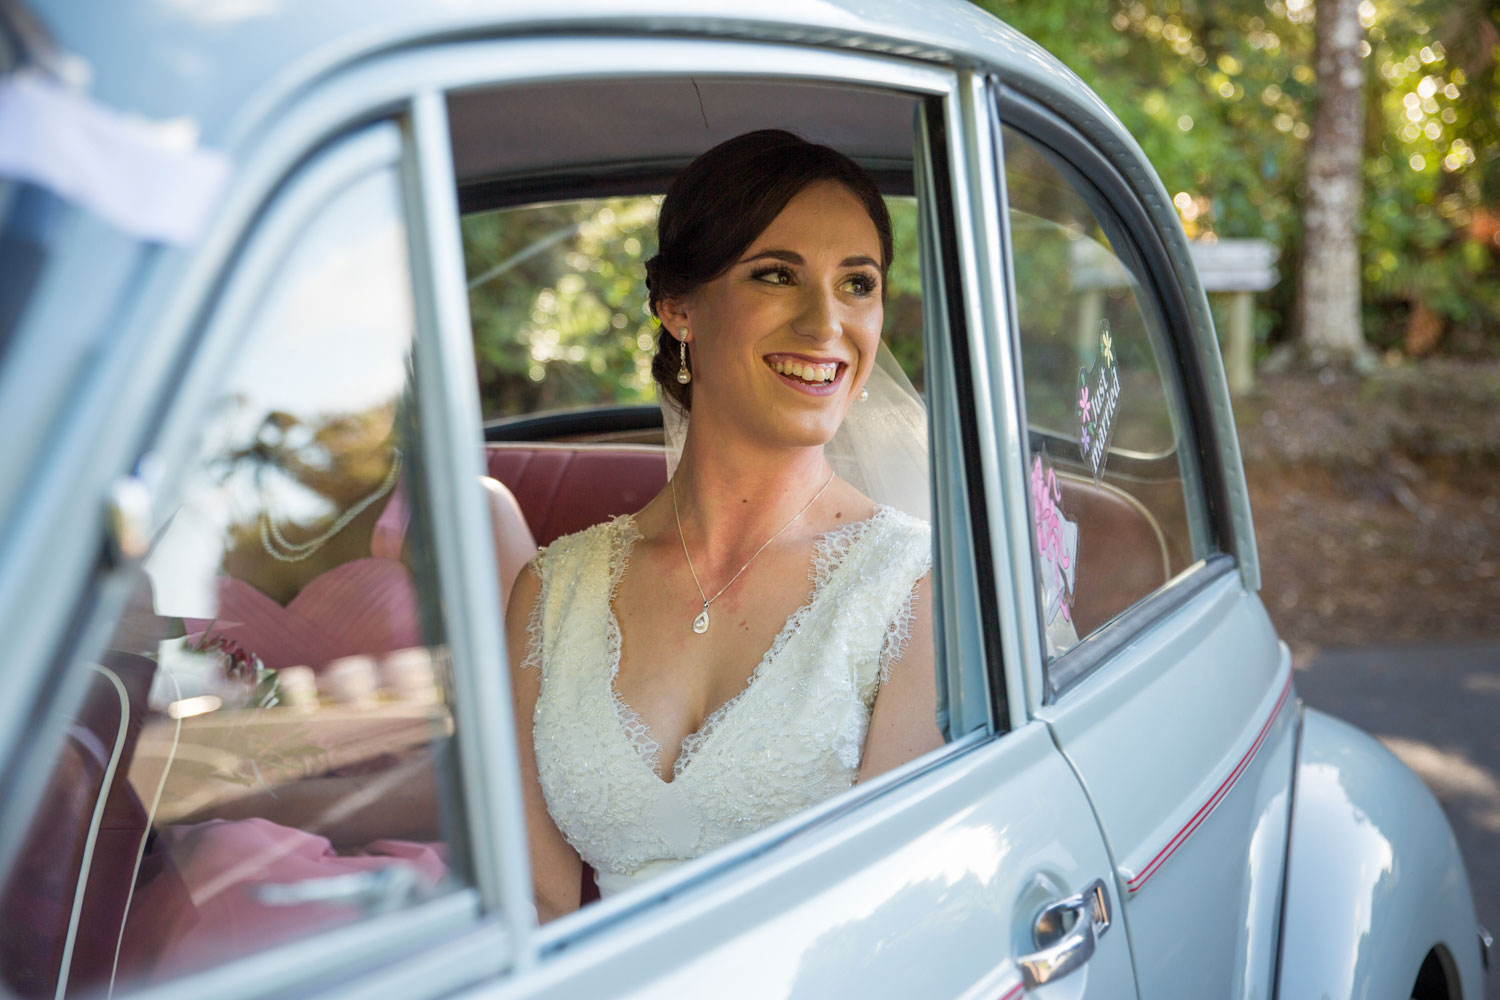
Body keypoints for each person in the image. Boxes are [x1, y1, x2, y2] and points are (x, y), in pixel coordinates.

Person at [505, 130, 944, 921]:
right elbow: (535, 904)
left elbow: (890, 917)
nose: (825, 324)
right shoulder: (552, 592)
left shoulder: (914, 588)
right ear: (679, 308)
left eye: (858, 284)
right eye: (777, 275)